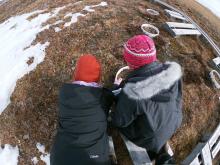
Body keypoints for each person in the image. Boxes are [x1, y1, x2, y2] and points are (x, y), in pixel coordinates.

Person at [111, 35, 182, 164]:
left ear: (131, 63)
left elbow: (119, 121)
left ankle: (152, 150)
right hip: (173, 123)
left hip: (149, 138)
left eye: (127, 58)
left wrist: (117, 91)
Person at [50, 54, 114, 165]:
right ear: (98, 77)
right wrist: (116, 86)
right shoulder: (103, 96)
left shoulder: (64, 94)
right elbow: (111, 97)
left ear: (77, 74)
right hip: (93, 159)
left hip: (60, 157)